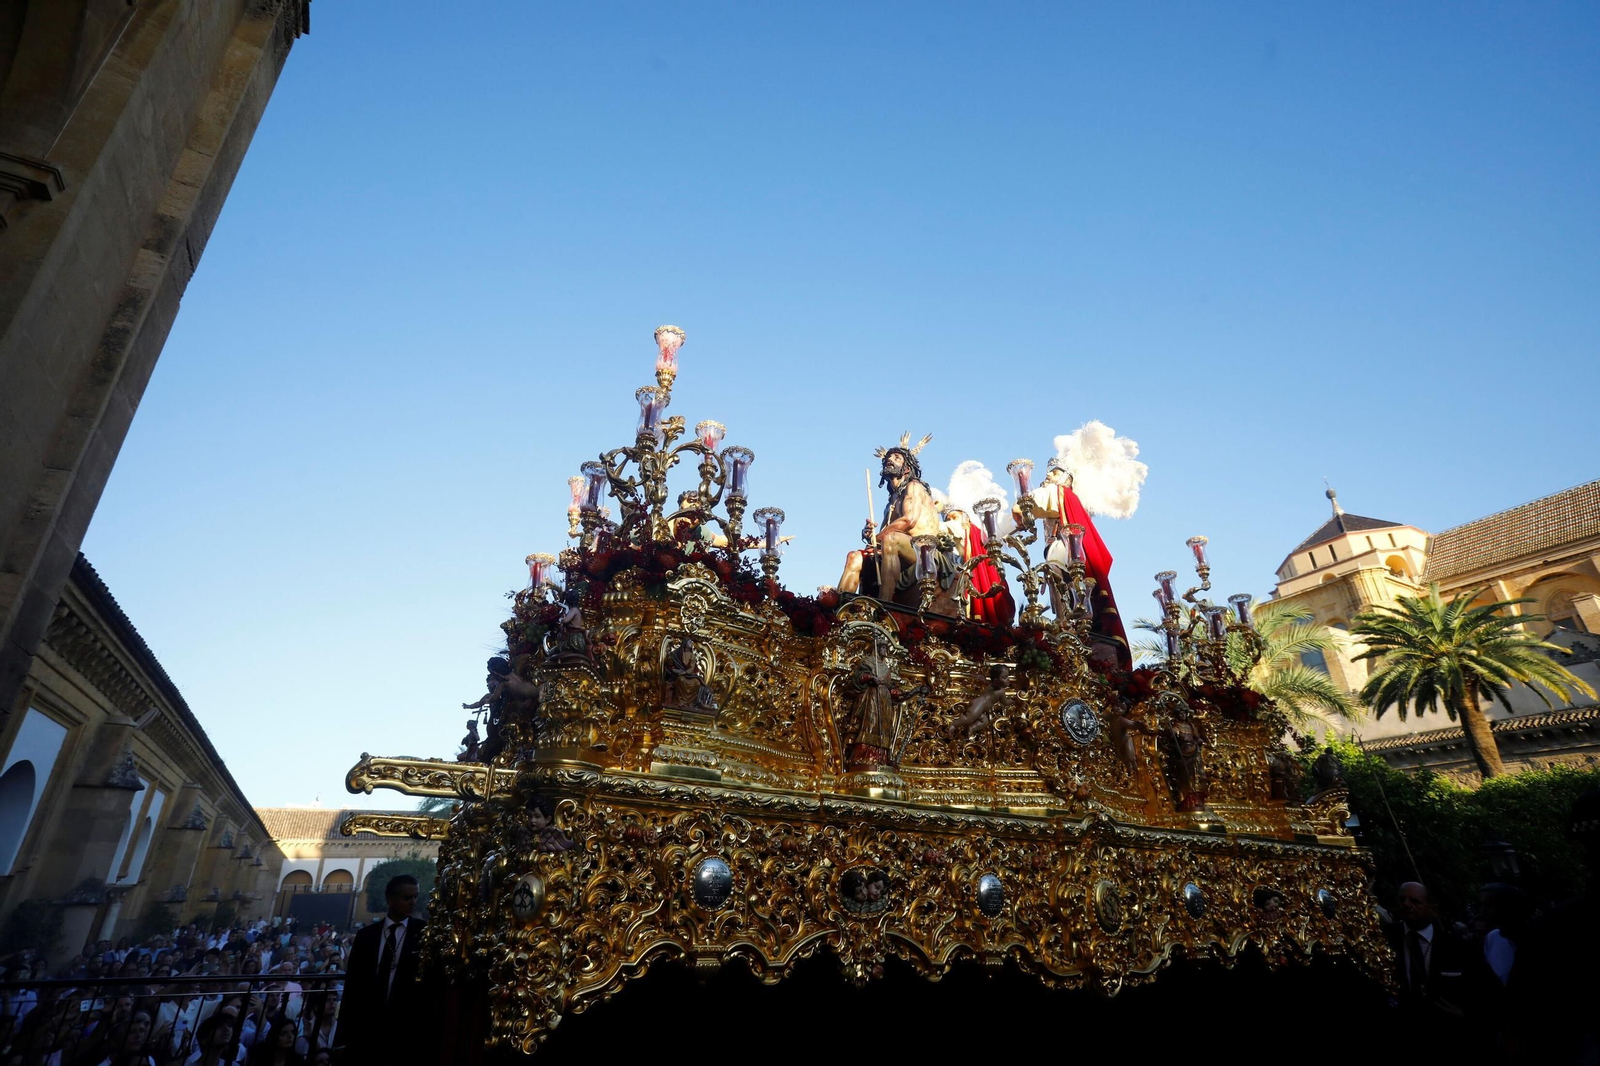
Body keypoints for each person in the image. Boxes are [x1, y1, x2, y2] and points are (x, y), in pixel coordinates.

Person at [837, 435, 941, 602]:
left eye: (896, 458)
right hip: (898, 548)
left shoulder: (914, 487)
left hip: (923, 550)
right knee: (855, 556)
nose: (890, 460)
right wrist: (870, 535)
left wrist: (877, 538)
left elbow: (909, 521)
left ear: (907, 468)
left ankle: (884, 605)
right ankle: (839, 607)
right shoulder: (890, 503)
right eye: (888, 458)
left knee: (891, 539)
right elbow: (885, 534)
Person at [338, 876, 427, 1066]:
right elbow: (353, 985)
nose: (412, 902)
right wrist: (344, 1035)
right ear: (390, 900)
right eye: (406, 898)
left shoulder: (424, 934)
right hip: (367, 1026)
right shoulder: (366, 936)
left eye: (415, 897)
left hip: (405, 1028)